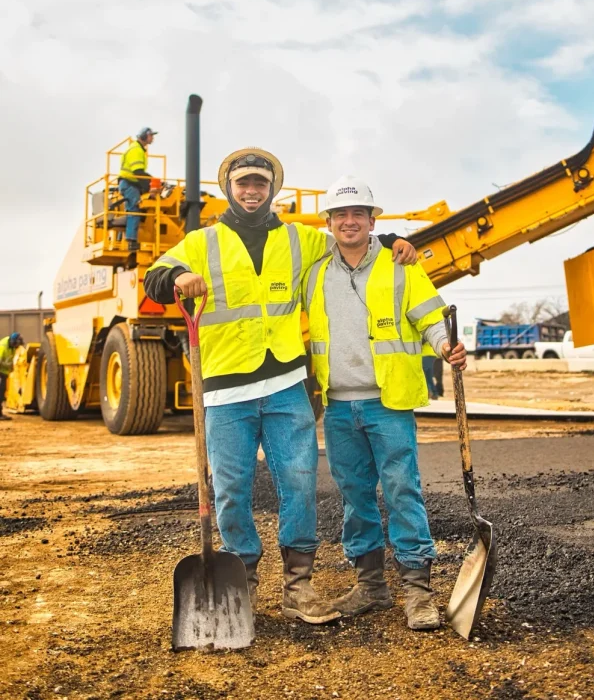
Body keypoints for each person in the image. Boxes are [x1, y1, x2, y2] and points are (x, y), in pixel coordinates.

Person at [143, 149, 416, 624]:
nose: (253, 191)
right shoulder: (201, 241)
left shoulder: (298, 239)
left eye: (261, 184)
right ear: (230, 187)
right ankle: (241, 579)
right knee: (231, 490)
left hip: (287, 383)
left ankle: (298, 587)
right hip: (226, 390)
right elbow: (153, 278)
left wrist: (393, 240)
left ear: (273, 189)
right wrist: (178, 277)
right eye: (244, 183)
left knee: (300, 483)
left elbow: (349, 239)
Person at [302, 176, 467, 630]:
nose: (349, 221)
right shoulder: (315, 272)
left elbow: (431, 317)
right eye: (340, 215)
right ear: (329, 223)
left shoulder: (402, 266)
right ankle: (371, 586)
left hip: (386, 403)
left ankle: (417, 591)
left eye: (358, 214)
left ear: (373, 220)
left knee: (402, 491)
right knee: (356, 497)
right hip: (337, 407)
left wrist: (445, 346)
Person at [118, 127, 157, 251]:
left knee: (135, 209)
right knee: (135, 209)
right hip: (130, 184)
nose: (153, 138)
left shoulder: (138, 149)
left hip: (130, 183)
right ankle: (131, 241)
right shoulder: (136, 150)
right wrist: (150, 184)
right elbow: (138, 172)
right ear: (144, 136)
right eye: (151, 135)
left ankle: (130, 237)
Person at [0, 332, 24, 420]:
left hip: (4, 373)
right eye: (16, 345)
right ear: (13, 342)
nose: (17, 347)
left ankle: (0, 414)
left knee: (2, 394)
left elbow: (10, 361)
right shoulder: (2, 346)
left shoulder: (12, 348)